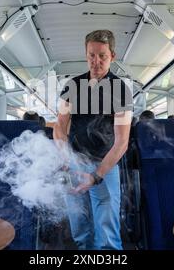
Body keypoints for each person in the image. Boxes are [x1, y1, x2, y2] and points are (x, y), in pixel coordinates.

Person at [54, 29, 133, 250]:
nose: (96, 62)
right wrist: (65, 156)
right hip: (75, 163)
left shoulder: (121, 91)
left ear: (112, 56)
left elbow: (122, 142)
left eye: (102, 56)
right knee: (80, 231)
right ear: (85, 54)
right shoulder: (72, 86)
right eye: (91, 55)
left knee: (107, 236)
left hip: (104, 166)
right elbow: (59, 126)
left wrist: (96, 176)